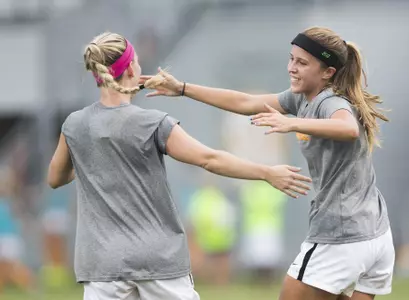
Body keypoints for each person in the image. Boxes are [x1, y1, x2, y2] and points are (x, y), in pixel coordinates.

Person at [47, 31, 311, 300]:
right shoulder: (152, 123)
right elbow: (210, 159)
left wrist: (90, 158)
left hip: (102, 264)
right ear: (129, 69)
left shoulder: (74, 125)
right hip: (157, 260)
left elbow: (55, 178)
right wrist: (266, 172)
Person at [141, 26, 395, 300]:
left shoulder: (329, 101)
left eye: (302, 62)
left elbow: (348, 128)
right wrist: (182, 88)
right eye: (292, 59)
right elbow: (245, 101)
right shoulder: (302, 98)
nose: (292, 68)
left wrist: (292, 122)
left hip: (342, 235)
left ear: (327, 73)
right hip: (375, 233)